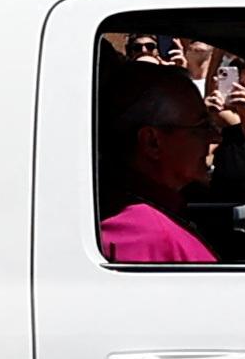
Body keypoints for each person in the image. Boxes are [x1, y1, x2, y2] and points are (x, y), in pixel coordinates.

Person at [96, 64, 226, 263]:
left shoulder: (144, 211)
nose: (216, 137)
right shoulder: (144, 238)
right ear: (152, 142)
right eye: (202, 126)